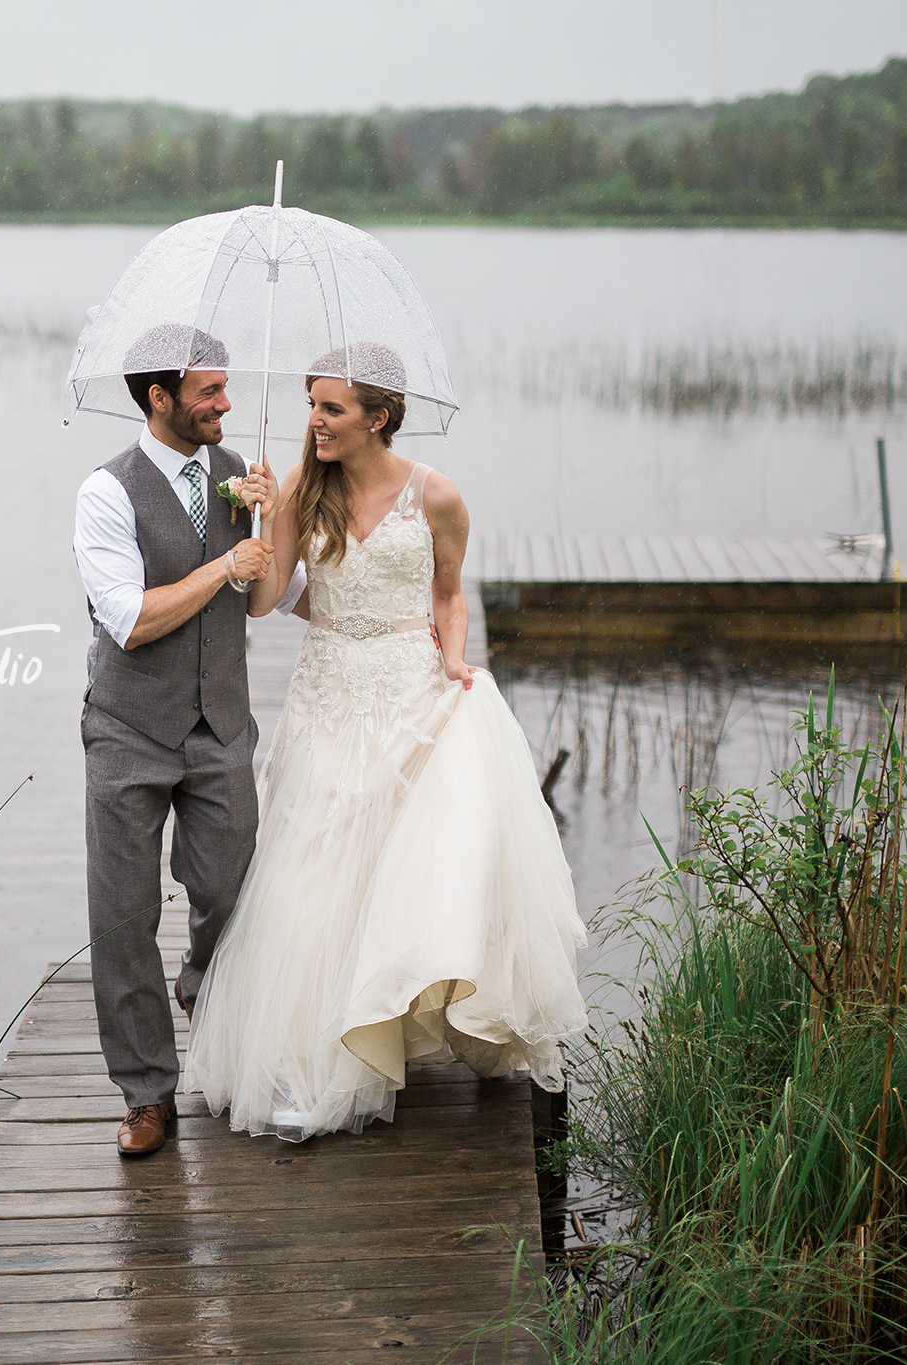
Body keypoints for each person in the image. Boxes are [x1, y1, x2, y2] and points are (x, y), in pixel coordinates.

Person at [186, 342, 587, 1141]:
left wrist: (453, 658)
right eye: (311, 406)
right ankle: (311, 1058)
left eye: (330, 408)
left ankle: (395, 1021)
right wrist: (264, 527)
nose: (315, 421)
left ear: (381, 415)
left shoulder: (437, 495)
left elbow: (449, 592)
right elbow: (267, 602)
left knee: (406, 868)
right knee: (312, 875)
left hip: (410, 690)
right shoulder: (303, 487)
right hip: (328, 691)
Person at [72, 324, 277, 1158]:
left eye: (227, 388)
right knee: (123, 916)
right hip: (127, 728)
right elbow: (129, 620)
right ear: (160, 399)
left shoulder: (240, 480)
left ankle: (201, 983)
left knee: (234, 894)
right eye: (209, 392)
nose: (226, 403)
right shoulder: (106, 493)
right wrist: (223, 569)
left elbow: (274, 592)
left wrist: (280, 515)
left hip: (221, 724)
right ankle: (148, 1093)